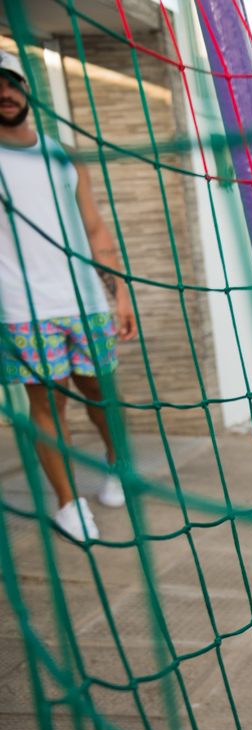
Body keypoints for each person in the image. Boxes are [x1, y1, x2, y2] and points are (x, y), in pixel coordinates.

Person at [0, 51, 136, 542]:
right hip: (22, 309)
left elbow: (94, 227)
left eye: (11, 82)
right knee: (48, 404)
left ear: (26, 88)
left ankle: (117, 463)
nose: (4, 93)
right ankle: (67, 504)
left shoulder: (64, 154)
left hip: (86, 302)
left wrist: (120, 293)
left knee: (100, 392)